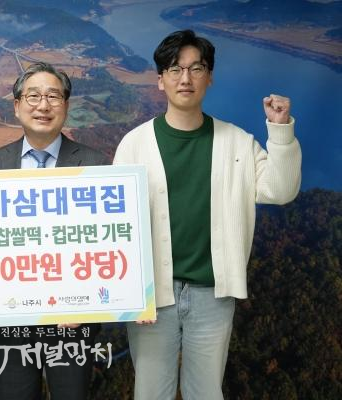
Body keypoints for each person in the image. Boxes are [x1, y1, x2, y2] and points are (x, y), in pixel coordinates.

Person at [113, 30, 301, 400]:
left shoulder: (237, 142)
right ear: (161, 79)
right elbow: (119, 227)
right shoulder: (134, 144)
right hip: (152, 297)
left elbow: (280, 191)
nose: (185, 78)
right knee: (150, 393)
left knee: (205, 392)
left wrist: (279, 130)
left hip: (212, 295)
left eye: (195, 68)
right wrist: (131, 293)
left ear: (209, 77)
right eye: (175, 69)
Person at [0, 62, 106, 399]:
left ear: (66, 105)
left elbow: (105, 244)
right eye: (33, 96)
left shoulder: (95, 164)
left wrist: (87, 305)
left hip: (73, 321)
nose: (43, 105)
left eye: (53, 96)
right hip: (11, 321)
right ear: (17, 105)